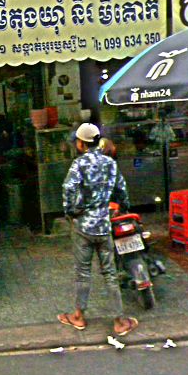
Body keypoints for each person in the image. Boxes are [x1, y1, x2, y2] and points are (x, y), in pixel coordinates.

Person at [59, 123, 137, 335]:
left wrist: (70, 211)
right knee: (110, 273)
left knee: (83, 273)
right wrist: (123, 207)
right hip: (104, 226)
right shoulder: (110, 163)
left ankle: (78, 316)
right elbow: (121, 189)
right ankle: (119, 321)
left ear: (81, 144)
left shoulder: (79, 164)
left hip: (82, 227)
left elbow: (68, 188)